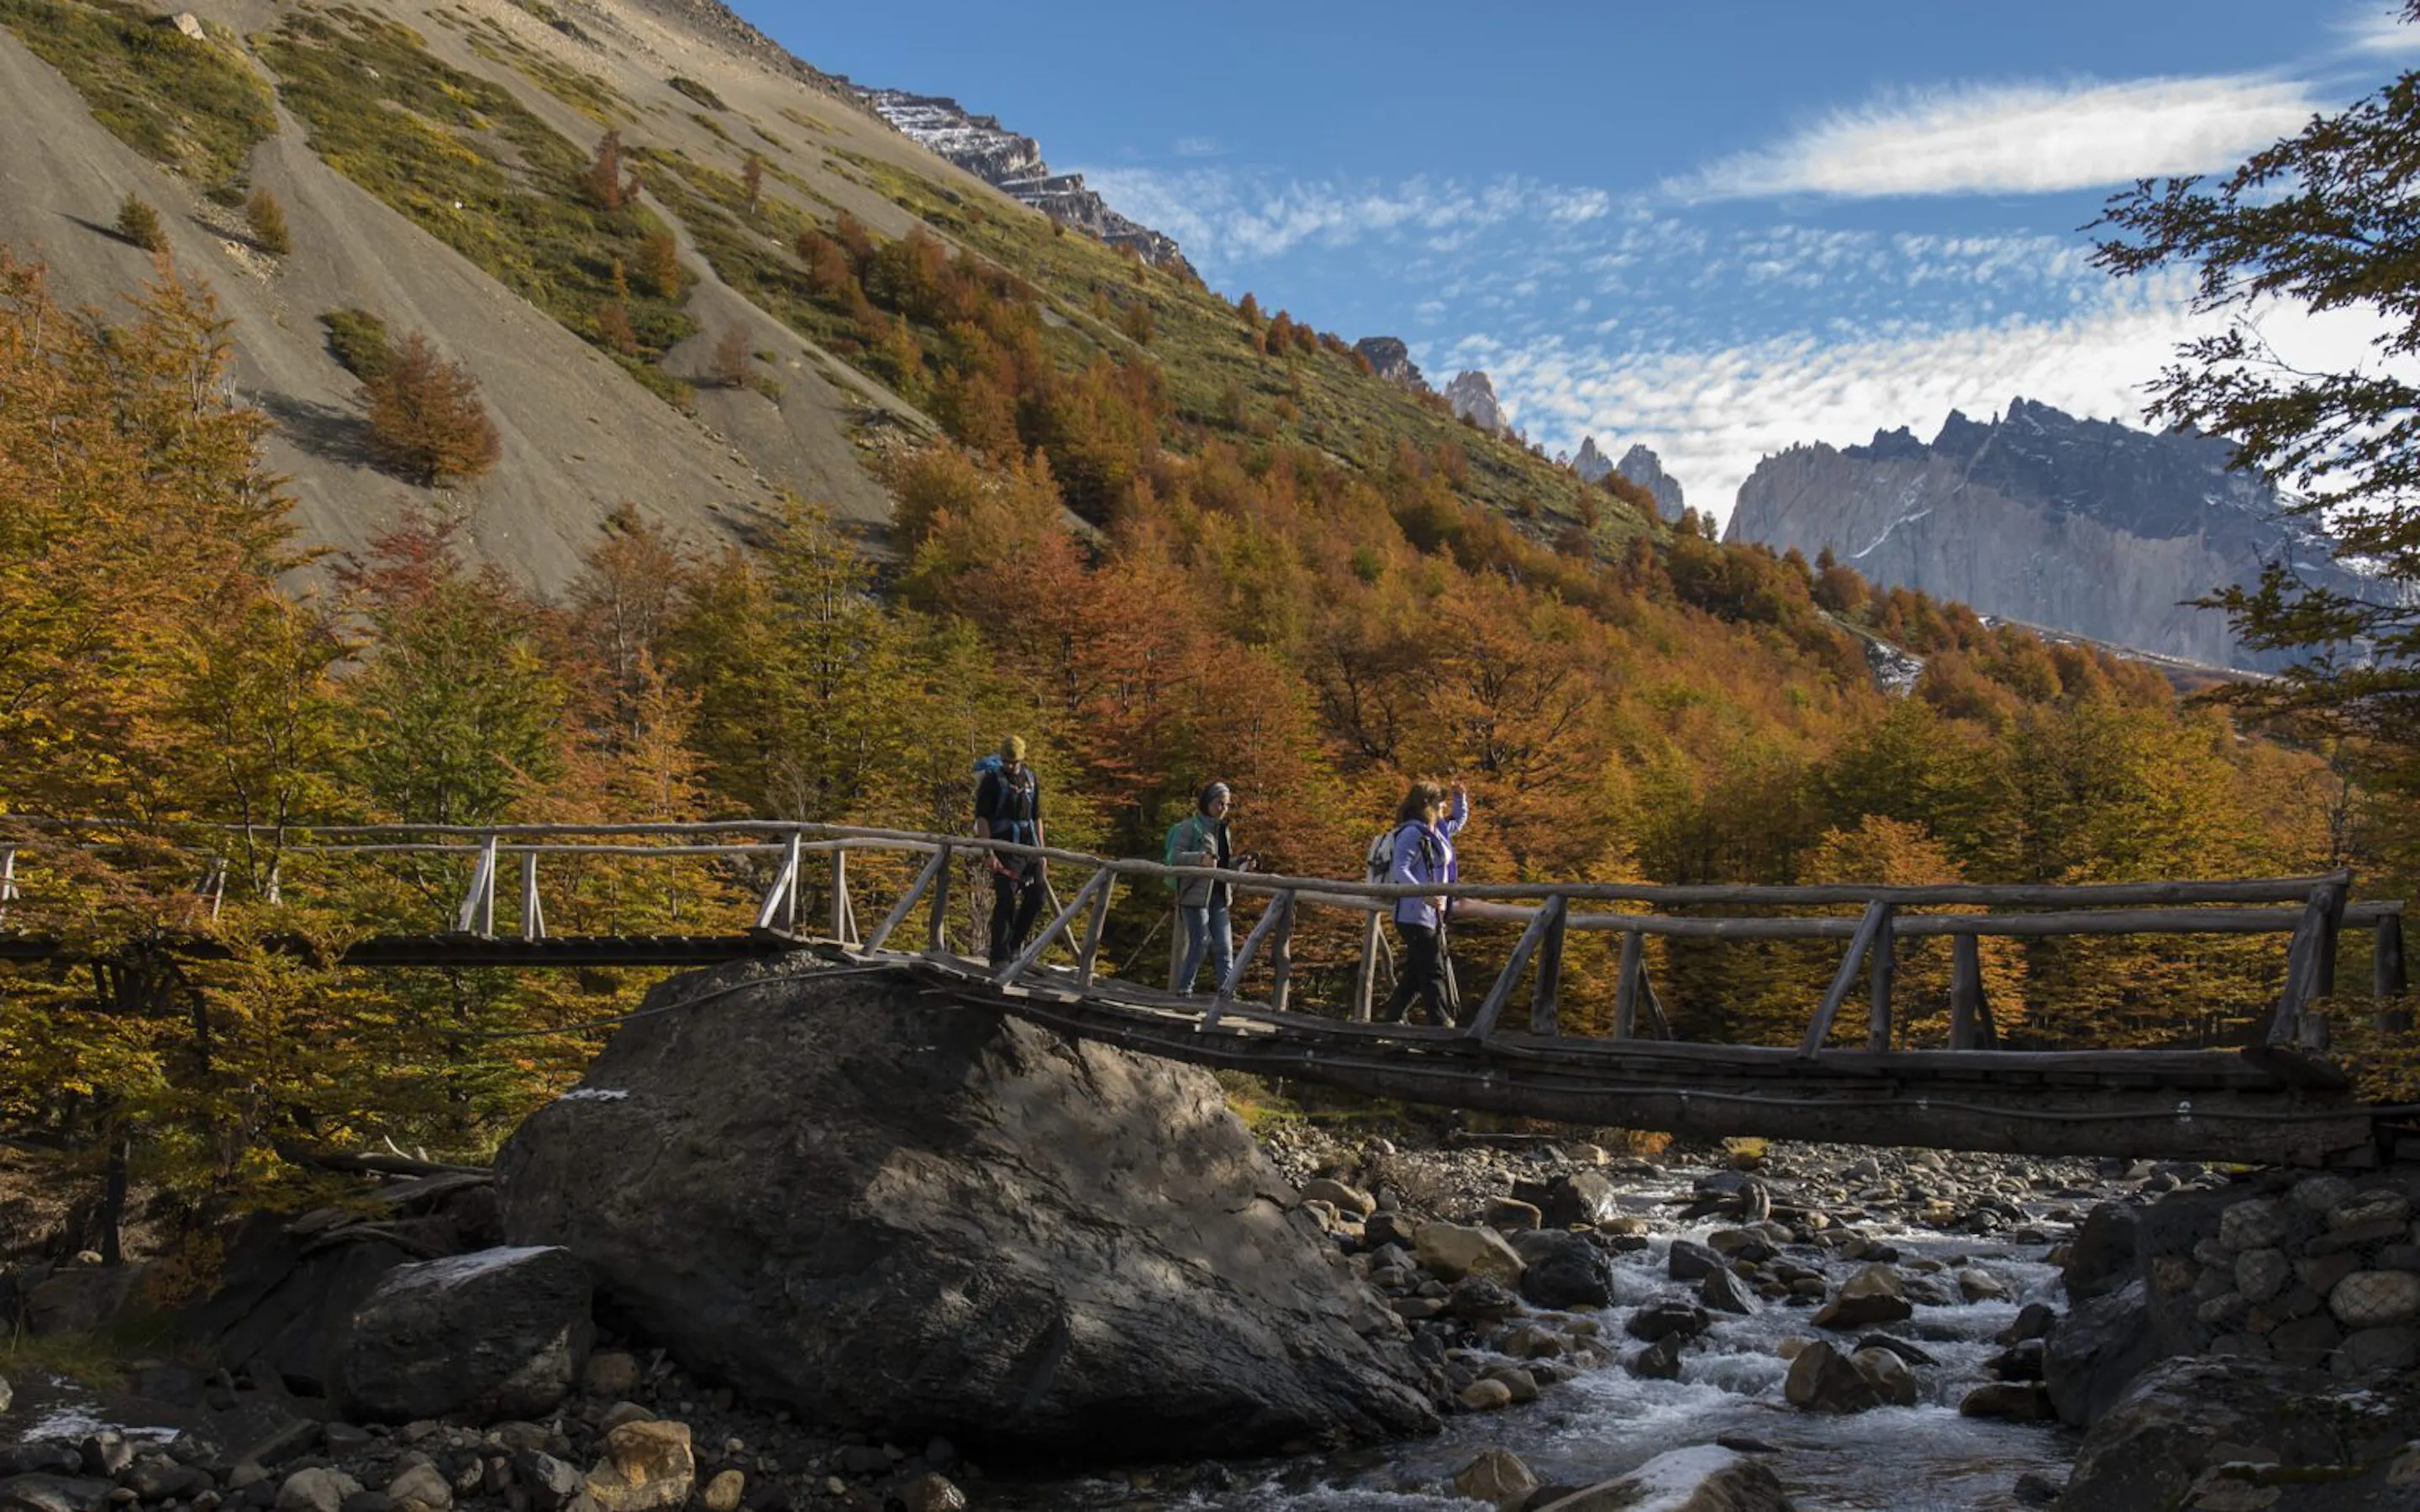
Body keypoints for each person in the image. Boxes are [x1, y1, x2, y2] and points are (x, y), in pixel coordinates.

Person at [1376, 778, 1471, 1026]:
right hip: (1413, 915)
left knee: (1416, 974)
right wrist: (1424, 894)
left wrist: (1461, 798)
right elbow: (1400, 870)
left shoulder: (1435, 830)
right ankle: (1442, 1025)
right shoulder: (1411, 833)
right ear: (1427, 803)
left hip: (1430, 915)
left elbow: (1457, 823)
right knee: (1432, 970)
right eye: (1441, 801)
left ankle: (1390, 1018)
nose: (1444, 806)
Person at [974, 736, 1046, 966]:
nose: (1009, 766)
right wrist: (989, 852)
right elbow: (982, 818)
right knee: (1006, 899)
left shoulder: (1031, 779)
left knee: (1037, 897)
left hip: (1028, 848)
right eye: (1006, 762)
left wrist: (1042, 852)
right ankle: (999, 957)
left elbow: (1037, 817)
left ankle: (1015, 947)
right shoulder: (992, 781)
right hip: (1004, 848)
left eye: (1013, 762)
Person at [1165, 782, 1238, 994]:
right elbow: (1174, 858)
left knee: (1225, 948)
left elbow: (1222, 864)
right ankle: (1184, 990)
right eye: (1219, 803)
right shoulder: (1190, 827)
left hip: (1220, 895)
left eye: (1227, 805)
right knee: (1200, 944)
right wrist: (1200, 858)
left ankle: (1227, 995)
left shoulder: (1223, 830)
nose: (1223, 808)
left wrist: (1242, 862)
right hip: (1195, 895)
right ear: (1208, 802)